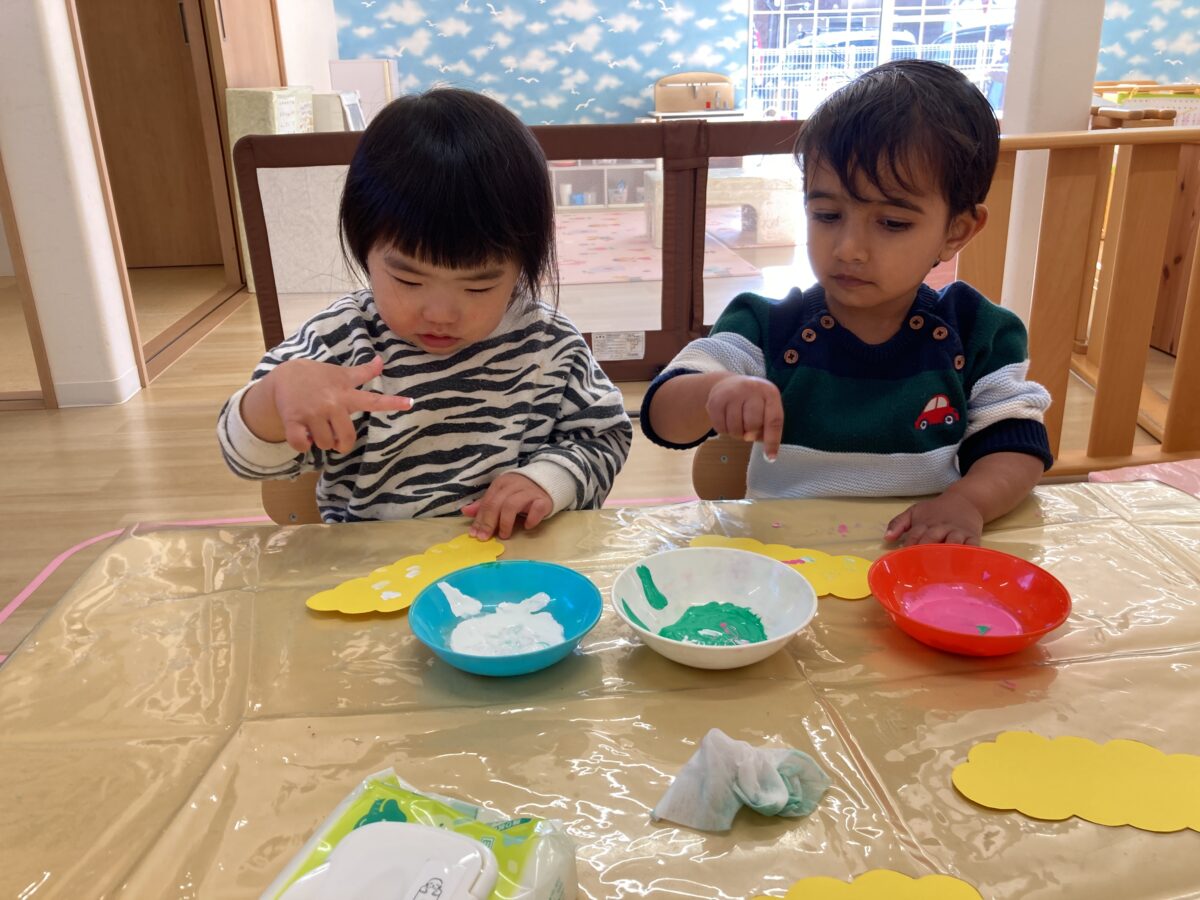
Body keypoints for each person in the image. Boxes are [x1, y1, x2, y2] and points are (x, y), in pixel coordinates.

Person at [641, 59, 1052, 546]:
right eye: (827, 215)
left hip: (914, 555)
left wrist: (968, 501)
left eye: (892, 223)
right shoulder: (768, 325)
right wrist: (716, 391)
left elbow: (1016, 442)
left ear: (956, 231)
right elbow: (664, 416)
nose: (848, 249)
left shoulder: (978, 332)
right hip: (783, 562)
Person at [218, 88, 632, 539]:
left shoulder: (549, 344)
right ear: (364, 251)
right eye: (408, 281)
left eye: (478, 286)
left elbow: (605, 436)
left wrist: (548, 480)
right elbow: (244, 457)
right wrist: (273, 400)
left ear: (523, 268)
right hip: (375, 567)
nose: (440, 314)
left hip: (510, 562)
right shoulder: (341, 342)